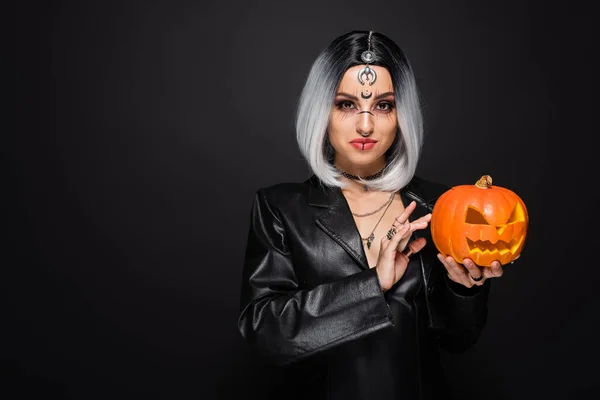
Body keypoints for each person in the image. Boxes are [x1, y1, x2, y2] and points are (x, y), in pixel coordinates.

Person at [236, 29, 505, 400]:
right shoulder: (281, 208)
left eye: (383, 105)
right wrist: (372, 283)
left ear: (402, 114)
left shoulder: (440, 206)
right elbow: (265, 333)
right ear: (321, 110)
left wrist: (464, 288)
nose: (365, 126)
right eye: (346, 104)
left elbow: (458, 340)